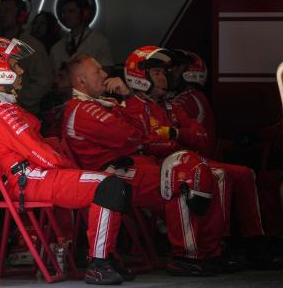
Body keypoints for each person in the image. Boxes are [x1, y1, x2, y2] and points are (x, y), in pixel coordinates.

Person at [0, 37, 131, 285]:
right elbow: (40, 154)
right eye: (14, 64)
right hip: (31, 179)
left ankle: (104, 258)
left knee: (110, 185)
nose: (21, 70)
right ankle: (99, 263)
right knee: (108, 186)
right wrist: (71, 169)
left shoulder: (1, 106)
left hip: (36, 176)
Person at [122, 45, 283, 269]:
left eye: (164, 72)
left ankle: (240, 244)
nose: (164, 77)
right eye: (157, 72)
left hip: (184, 162)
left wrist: (174, 134)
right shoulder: (131, 107)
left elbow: (202, 137)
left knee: (236, 173)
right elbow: (144, 144)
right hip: (160, 170)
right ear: (140, 75)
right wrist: (174, 140)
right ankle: (213, 247)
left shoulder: (170, 105)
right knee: (218, 175)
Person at [63, 53, 226, 276]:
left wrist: (127, 104)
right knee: (180, 178)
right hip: (111, 175)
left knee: (202, 172)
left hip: (132, 165)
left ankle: (209, 251)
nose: (105, 75)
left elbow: (137, 131)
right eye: (97, 71)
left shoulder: (105, 103)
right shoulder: (82, 109)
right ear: (81, 81)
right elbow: (131, 136)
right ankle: (187, 256)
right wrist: (131, 109)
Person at [0, 0, 52, 115]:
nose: (2, 15)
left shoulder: (31, 45)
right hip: (3, 111)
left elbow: (43, 82)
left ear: (21, 16)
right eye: (0, 11)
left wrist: (18, 99)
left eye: (7, 10)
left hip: (26, 113)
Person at [51, 0, 113, 76]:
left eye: (71, 11)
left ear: (84, 14)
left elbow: (107, 72)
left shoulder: (99, 41)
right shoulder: (57, 47)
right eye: (64, 12)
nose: (65, 16)